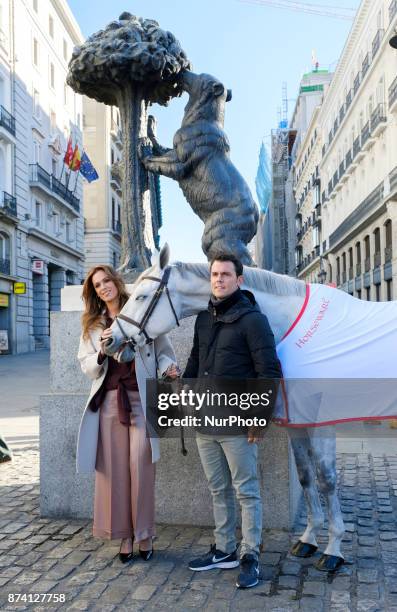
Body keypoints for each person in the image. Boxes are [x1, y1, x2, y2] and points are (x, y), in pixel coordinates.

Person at [184, 254, 282, 589]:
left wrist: (259, 417)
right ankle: (224, 549)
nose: (219, 279)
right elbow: (195, 362)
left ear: (239, 280)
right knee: (217, 489)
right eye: (215, 274)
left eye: (226, 274)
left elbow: (268, 372)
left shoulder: (253, 320)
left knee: (247, 491)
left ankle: (250, 553)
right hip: (205, 422)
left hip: (238, 424)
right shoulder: (202, 319)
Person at [77, 264, 179, 563]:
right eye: (97, 285)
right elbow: (86, 365)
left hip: (141, 399)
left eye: (106, 280)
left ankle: (144, 534)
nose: (104, 287)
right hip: (109, 402)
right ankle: (123, 536)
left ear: (116, 281)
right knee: (114, 472)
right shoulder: (93, 324)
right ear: (94, 292)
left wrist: (167, 368)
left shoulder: (141, 310)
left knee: (142, 466)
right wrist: (101, 352)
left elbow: (163, 350)